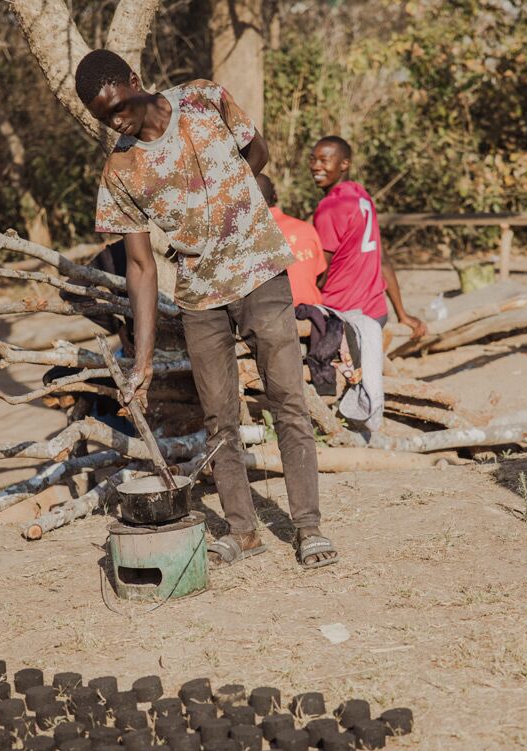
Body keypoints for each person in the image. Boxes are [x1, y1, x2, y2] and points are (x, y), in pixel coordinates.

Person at [74, 49, 338, 569]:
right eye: (105, 118)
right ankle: (243, 531)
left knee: (288, 399)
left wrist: (235, 203)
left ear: (135, 80)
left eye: (120, 107)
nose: (117, 122)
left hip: (260, 273)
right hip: (200, 297)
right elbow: (140, 267)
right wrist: (142, 361)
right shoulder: (120, 171)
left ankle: (308, 528)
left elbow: (256, 152)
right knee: (220, 420)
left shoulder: (202, 98)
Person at [309, 136, 427, 338]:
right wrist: (401, 313)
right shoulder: (360, 195)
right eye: (312, 159)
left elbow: (321, 275)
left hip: (342, 315)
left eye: (324, 160)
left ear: (344, 164)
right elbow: (382, 258)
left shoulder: (331, 206)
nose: (315, 166)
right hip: (375, 312)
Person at [256, 174, 326, 307]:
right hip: (313, 313)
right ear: (275, 196)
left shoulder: (249, 237)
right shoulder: (306, 228)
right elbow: (321, 279)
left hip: (276, 314)